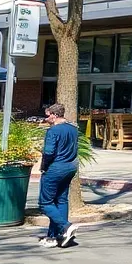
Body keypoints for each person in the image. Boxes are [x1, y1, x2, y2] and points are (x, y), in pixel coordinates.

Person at [38, 103, 80, 249]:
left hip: (55, 168)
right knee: (61, 200)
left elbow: (49, 152)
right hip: (70, 167)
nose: (46, 118)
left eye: (48, 115)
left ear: (55, 115)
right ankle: (55, 236)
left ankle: (66, 226)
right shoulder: (73, 129)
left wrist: (43, 166)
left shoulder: (53, 131)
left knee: (45, 203)